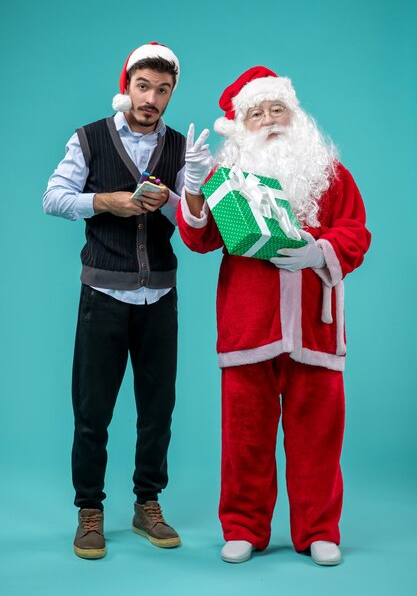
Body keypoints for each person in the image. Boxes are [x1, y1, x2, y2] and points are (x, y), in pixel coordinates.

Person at [177, 66, 371, 565]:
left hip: (316, 330)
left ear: (295, 113)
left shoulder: (329, 173)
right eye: (257, 113)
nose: (269, 120)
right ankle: (243, 527)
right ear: (242, 125)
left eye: (277, 109)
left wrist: (321, 251)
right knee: (244, 440)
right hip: (249, 329)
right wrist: (195, 189)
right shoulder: (227, 178)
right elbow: (200, 240)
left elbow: (356, 232)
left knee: (319, 437)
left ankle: (319, 530)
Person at [43, 42, 210, 559]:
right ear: (127, 87)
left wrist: (189, 193)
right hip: (103, 293)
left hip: (160, 294)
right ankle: (89, 510)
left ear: (171, 93)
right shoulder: (90, 138)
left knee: (158, 409)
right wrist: (107, 201)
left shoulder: (182, 147)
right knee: (93, 409)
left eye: (163, 90)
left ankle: (147, 503)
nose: (152, 98)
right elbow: (53, 197)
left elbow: (198, 225)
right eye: (144, 87)